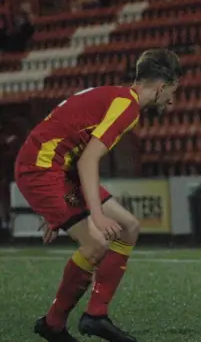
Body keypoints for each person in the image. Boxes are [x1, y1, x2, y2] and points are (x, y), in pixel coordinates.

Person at [14, 48, 182, 342]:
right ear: (160, 86)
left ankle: (96, 315)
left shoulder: (119, 98)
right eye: (172, 90)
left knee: (129, 227)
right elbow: (88, 160)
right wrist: (96, 213)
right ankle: (53, 324)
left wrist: (62, 207)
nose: (172, 99)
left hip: (61, 170)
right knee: (96, 243)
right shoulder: (127, 108)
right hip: (41, 169)